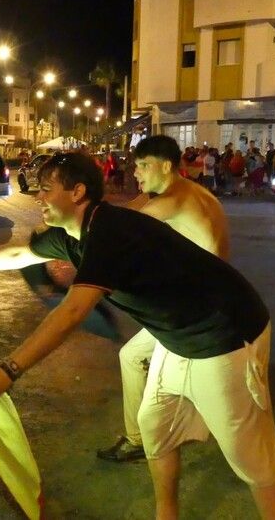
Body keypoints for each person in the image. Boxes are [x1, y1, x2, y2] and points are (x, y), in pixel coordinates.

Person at [0, 151, 275, 519]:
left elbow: (73, 311)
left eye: (46, 189)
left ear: (77, 192)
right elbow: (19, 256)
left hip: (225, 335)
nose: (38, 197)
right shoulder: (72, 234)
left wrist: (9, 370)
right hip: (175, 336)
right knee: (156, 428)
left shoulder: (109, 233)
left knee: (251, 458)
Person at [99, 135, 230, 463]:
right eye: (136, 165)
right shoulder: (192, 191)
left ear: (167, 166)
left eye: (143, 166)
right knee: (136, 359)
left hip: (195, 313)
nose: (136, 173)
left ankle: (139, 440)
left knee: (136, 363)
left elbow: (118, 231)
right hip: (213, 298)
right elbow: (130, 211)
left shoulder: (171, 201)